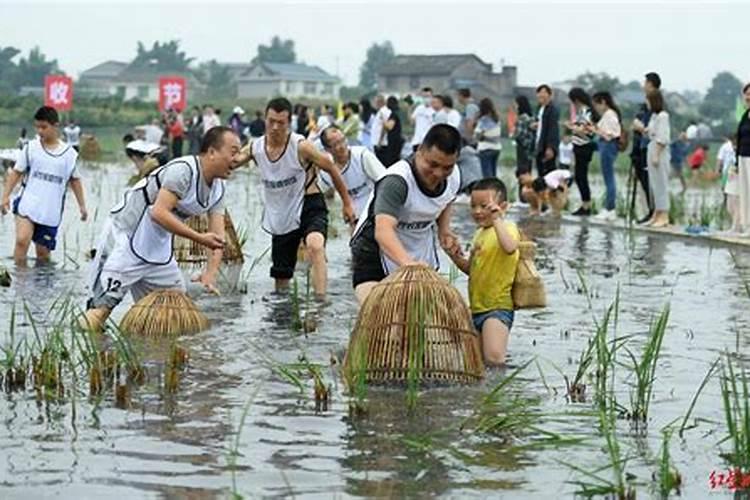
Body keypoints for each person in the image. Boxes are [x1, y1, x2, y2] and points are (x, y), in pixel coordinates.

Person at [82, 127, 240, 332]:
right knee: (100, 312)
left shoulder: (218, 189)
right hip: (126, 238)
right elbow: (159, 213)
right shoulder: (183, 171)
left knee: (177, 311)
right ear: (211, 152)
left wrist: (210, 273)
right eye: (233, 152)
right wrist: (199, 238)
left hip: (158, 249)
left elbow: (217, 237)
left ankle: (153, 360)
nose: (237, 159)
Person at [237, 97, 355, 298]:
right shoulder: (255, 148)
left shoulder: (301, 146)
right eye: (271, 121)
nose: (275, 127)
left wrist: (346, 203)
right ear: (265, 119)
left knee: (316, 246)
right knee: (281, 277)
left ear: (288, 123)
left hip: (310, 204)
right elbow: (231, 162)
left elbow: (331, 167)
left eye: (281, 123)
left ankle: (320, 302)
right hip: (281, 212)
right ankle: (281, 313)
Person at [350, 124, 462, 305]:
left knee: (420, 317)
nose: (438, 174)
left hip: (418, 246)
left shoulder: (454, 175)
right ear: (419, 152)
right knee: (379, 316)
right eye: (432, 164)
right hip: (374, 250)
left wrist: (444, 230)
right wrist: (409, 265)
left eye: (447, 167)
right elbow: (383, 231)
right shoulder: (397, 181)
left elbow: (447, 199)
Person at [443, 177, 519, 365]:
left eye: (484, 206)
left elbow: (510, 247)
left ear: (503, 206)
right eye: (473, 206)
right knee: (476, 362)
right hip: (476, 308)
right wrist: (453, 255)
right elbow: (472, 269)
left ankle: (500, 392)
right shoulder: (479, 234)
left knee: (494, 359)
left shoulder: (508, 228)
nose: (477, 211)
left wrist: (497, 220)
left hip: (497, 308)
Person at [1, 106, 87, 266]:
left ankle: (41, 287)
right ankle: (19, 285)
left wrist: (82, 206)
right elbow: (16, 172)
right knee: (22, 240)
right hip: (28, 203)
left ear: (55, 125)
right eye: (37, 127)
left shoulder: (69, 154)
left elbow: (75, 180)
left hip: (50, 209)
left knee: (43, 254)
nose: (40, 131)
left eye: (44, 127)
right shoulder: (31, 148)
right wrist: (5, 196)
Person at [319, 125, 387, 222]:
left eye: (343, 140)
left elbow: (386, 181)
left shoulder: (363, 156)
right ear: (327, 149)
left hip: (375, 209)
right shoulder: (326, 171)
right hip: (352, 215)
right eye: (336, 144)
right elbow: (319, 193)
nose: (342, 146)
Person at [638, 91, 671, 227]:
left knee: (661, 183)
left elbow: (662, 138)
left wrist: (656, 155)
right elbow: (651, 132)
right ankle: (656, 213)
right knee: (654, 184)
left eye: (648, 100)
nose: (646, 103)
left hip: (659, 151)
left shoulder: (663, 116)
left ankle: (664, 215)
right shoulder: (654, 116)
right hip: (651, 148)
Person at [590, 91, 622, 221]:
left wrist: (595, 130)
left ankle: (610, 208)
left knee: (609, 179)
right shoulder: (609, 115)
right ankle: (609, 208)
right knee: (608, 178)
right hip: (606, 146)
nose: (596, 108)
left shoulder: (609, 115)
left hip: (607, 146)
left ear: (603, 102)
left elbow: (608, 135)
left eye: (597, 105)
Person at [565, 87, 597, 215]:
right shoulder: (583, 111)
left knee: (581, 176)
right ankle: (585, 204)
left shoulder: (585, 112)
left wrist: (572, 127)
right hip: (579, 146)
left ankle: (586, 205)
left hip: (584, 146)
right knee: (580, 175)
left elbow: (587, 131)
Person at [532, 84, 560, 176]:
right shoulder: (540, 109)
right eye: (539, 92)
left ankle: (553, 190)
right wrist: (536, 125)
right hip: (539, 145)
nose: (541, 95)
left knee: (549, 174)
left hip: (547, 146)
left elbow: (553, 129)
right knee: (541, 173)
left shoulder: (552, 110)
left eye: (544, 92)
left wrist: (550, 148)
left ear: (549, 95)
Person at [513, 95, 536, 200]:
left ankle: (523, 198)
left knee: (522, 174)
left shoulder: (523, 118)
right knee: (527, 173)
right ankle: (527, 198)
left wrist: (514, 134)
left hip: (522, 149)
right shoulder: (530, 117)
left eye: (516, 104)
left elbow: (519, 135)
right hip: (529, 151)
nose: (515, 106)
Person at [474, 97, 502, 179]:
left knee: (487, 175)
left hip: (485, 148)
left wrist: (481, 136)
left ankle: (489, 190)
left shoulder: (483, 120)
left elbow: (477, 135)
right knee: (493, 174)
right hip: (496, 148)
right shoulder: (496, 119)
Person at [737, 83, 750, 235]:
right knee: (745, 193)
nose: (748, 97)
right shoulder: (744, 116)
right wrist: (736, 161)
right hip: (743, 156)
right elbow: (739, 138)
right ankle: (746, 225)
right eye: (746, 94)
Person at [380, 96, 404, 167]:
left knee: (391, 161)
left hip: (394, 141)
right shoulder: (399, 112)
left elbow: (389, 127)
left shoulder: (393, 114)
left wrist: (383, 120)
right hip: (398, 140)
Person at [410, 87, 435, 152]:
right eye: (424, 96)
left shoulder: (435, 110)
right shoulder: (419, 108)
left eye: (428, 96)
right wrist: (410, 108)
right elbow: (412, 122)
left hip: (429, 142)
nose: (426, 99)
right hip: (417, 141)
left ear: (432, 97)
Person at [371, 95, 392, 164]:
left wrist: (380, 141)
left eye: (375, 102)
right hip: (377, 142)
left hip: (382, 143)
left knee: (382, 163)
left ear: (379, 102)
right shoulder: (380, 111)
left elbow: (385, 126)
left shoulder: (384, 111)